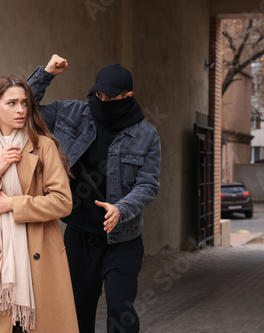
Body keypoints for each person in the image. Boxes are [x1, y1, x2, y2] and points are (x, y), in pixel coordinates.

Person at [27, 55, 161, 333]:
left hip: (122, 240)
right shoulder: (72, 113)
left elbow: (148, 185)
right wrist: (46, 74)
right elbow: (25, 110)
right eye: (97, 94)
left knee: (119, 309)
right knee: (76, 312)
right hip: (79, 237)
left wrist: (121, 209)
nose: (101, 101)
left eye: (109, 97)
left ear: (127, 96)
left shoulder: (146, 135)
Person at [0, 76, 79, 333]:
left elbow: (63, 203)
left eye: (24, 103)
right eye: (11, 103)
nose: (20, 110)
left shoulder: (43, 147)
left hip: (40, 257)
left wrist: (14, 204)